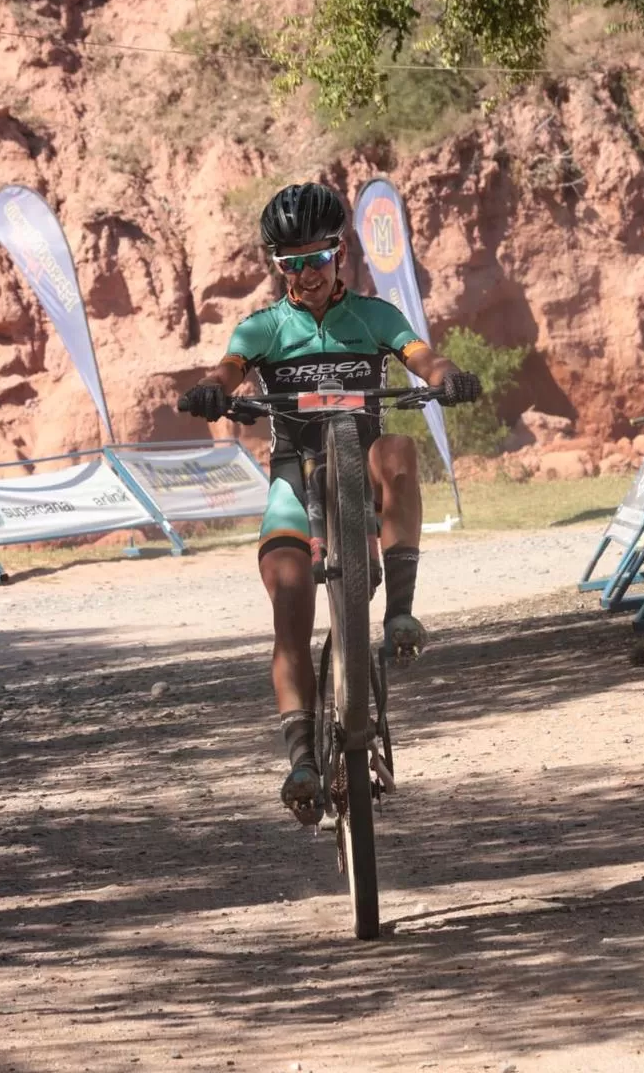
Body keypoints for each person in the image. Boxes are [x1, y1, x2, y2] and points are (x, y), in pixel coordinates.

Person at [182, 182, 481, 824]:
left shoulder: (373, 316)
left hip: (363, 461)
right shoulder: (264, 327)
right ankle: (301, 761)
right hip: (294, 478)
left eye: (316, 258)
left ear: (339, 253)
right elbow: (229, 370)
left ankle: (399, 611)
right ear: (276, 266)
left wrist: (445, 377)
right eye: (290, 264)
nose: (306, 275)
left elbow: (421, 354)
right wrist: (211, 390)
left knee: (397, 447)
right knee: (289, 604)